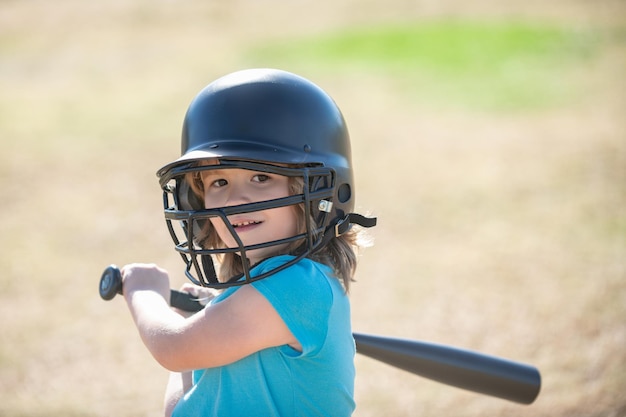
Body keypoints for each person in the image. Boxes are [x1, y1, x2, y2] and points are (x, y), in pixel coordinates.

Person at [120, 68, 376, 416]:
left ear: (316, 194)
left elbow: (174, 349)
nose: (235, 199)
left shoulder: (299, 286)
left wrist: (145, 295)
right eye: (219, 182)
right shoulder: (254, 295)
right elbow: (182, 408)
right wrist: (190, 318)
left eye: (260, 177)